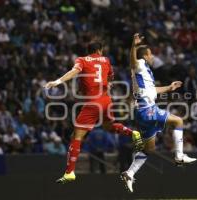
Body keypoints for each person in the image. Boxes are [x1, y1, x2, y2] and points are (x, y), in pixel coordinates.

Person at [44, 41, 143, 184]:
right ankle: (133, 133)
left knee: (76, 136)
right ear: (100, 50)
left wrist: (57, 81)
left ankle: (69, 172)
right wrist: (105, 84)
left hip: (92, 102)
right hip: (106, 100)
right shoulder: (106, 60)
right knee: (109, 126)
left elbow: (74, 72)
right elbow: (110, 78)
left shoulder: (82, 60)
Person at [120, 34, 197, 193]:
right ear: (145, 56)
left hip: (142, 111)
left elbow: (152, 90)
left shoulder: (146, 72)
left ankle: (130, 173)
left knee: (149, 148)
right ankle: (179, 156)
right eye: (151, 53)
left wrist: (169, 87)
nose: (153, 56)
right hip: (146, 108)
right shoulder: (140, 63)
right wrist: (134, 46)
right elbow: (132, 62)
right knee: (178, 121)